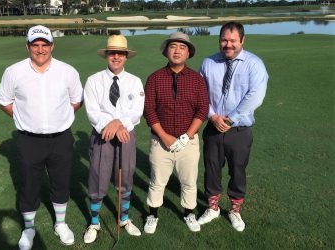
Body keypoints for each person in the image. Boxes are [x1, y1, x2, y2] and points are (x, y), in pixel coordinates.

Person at [0, 25, 83, 249]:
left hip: (61, 138)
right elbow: (3, 100)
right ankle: (29, 228)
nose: (40, 49)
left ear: (52, 45)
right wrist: (22, 116)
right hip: (28, 140)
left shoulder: (67, 71)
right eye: (35, 45)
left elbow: (76, 100)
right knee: (28, 185)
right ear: (28, 46)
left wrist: (60, 117)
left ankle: (60, 224)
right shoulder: (13, 71)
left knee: (60, 182)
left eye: (45, 44)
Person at [198, 21, 268, 232]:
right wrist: (212, 116)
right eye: (224, 40)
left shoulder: (254, 64)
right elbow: (201, 95)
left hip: (239, 130)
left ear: (242, 40)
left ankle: (234, 210)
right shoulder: (208, 63)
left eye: (232, 40)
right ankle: (213, 208)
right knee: (211, 169)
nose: (228, 44)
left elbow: (255, 96)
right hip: (213, 127)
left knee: (237, 171)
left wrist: (230, 119)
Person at [143, 32, 209, 233]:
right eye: (173, 46)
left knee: (188, 182)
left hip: (188, 142)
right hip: (160, 142)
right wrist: (164, 136)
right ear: (166, 51)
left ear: (188, 52)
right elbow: (149, 110)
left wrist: (187, 135)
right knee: (157, 182)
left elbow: (202, 109)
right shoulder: (155, 78)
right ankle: (152, 215)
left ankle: (189, 213)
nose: (177, 50)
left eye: (182, 47)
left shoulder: (197, 80)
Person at [83, 35, 144, 243]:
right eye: (112, 53)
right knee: (98, 176)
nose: (116, 57)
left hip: (125, 134)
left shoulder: (135, 81)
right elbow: (92, 111)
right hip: (102, 135)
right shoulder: (93, 80)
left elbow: (137, 111)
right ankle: (94, 222)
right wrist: (109, 126)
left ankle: (124, 218)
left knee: (125, 176)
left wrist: (119, 124)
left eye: (120, 53)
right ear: (106, 55)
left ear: (126, 56)